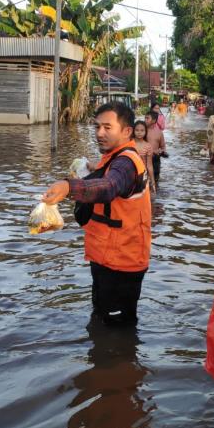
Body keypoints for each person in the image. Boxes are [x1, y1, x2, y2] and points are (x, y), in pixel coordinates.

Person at [41, 102, 151, 326]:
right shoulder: (113, 158)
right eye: (97, 127)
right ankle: (103, 356)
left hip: (123, 263)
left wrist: (69, 187)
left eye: (107, 127)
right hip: (105, 255)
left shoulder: (127, 163)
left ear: (126, 131)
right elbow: (104, 180)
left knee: (117, 327)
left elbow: (110, 186)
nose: (100, 133)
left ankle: (119, 359)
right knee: (100, 318)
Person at [132, 120, 156, 192]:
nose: (139, 132)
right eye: (137, 130)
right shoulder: (128, 143)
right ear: (133, 131)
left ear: (145, 132)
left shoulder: (147, 146)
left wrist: (153, 182)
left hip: (142, 175)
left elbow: (149, 165)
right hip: (129, 174)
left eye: (142, 130)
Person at [145, 111, 166, 189]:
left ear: (154, 120)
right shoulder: (142, 131)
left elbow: (163, 147)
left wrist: (160, 151)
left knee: (155, 180)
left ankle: (155, 194)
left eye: (147, 118)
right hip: (144, 158)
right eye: (145, 118)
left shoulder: (159, 133)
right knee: (144, 180)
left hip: (155, 158)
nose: (145, 120)